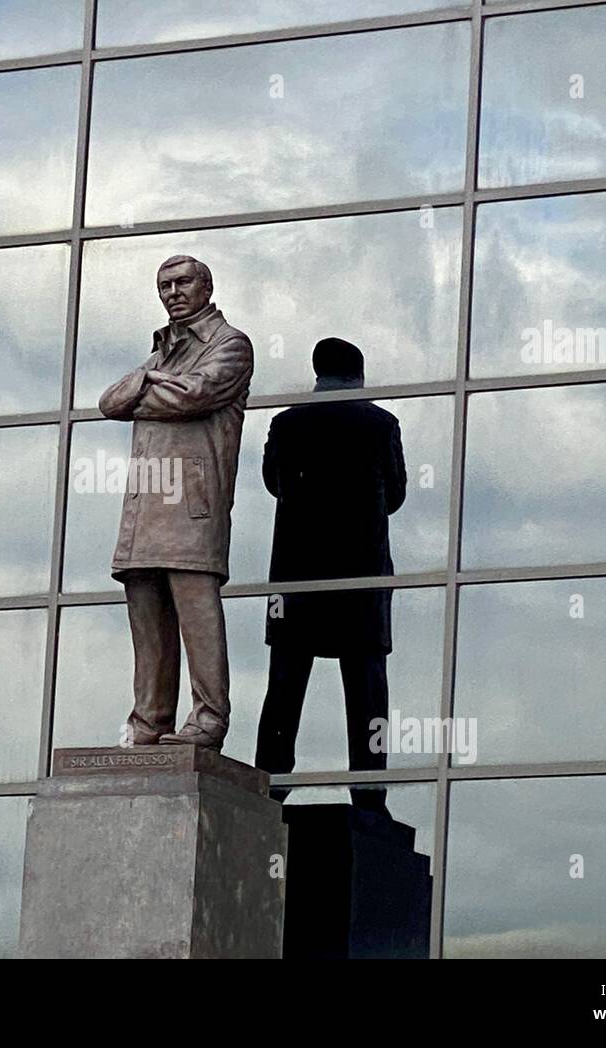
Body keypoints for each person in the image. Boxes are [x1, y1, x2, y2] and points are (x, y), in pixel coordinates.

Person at [98, 255, 254, 751]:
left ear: (207, 286)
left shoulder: (230, 344)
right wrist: (150, 381)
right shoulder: (161, 352)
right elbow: (109, 403)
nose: (172, 292)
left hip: (191, 507)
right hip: (144, 508)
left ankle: (209, 718)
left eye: (182, 281)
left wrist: (144, 387)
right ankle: (149, 720)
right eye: (163, 284)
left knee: (198, 616)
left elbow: (195, 395)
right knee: (147, 620)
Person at [256, 338, 406, 805]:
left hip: (298, 578)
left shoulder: (287, 423)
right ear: (359, 375)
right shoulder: (381, 425)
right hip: (360, 579)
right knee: (367, 692)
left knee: (284, 685)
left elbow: (272, 483)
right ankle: (369, 792)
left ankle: (271, 786)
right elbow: (397, 494)